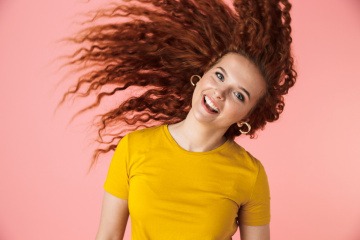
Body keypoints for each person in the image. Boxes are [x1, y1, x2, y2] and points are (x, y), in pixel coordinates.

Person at [59, 0, 296, 239]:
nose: (219, 93)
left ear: (248, 116)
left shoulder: (250, 174)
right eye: (219, 75)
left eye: (238, 94)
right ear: (202, 75)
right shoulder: (133, 147)